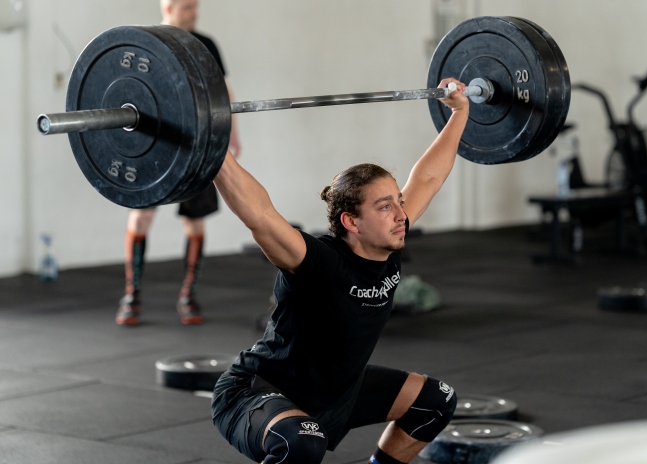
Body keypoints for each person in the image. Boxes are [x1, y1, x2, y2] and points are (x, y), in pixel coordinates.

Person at [211, 77, 469, 464]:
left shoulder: (387, 238)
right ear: (351, 222)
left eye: (398, 201)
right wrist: (210, 147)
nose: (401, 215)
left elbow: (429, 178)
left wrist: (460, 113)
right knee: (302, 443)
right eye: (385, 206)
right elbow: (260, 215)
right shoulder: (318, 260)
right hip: (258, 391)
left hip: (337, 391)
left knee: (436, 400)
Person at [116, 0, 240, 326]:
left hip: (196, 143)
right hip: (154, 144)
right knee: (140, 216)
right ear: (168, 6)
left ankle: (188, 296)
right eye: (187, 6)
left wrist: (231, 134)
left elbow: (223, 92)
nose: (194, 12)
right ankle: (131, 297)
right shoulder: (147, 40)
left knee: (194, 222)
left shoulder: (206, 43)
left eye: (195, 6)